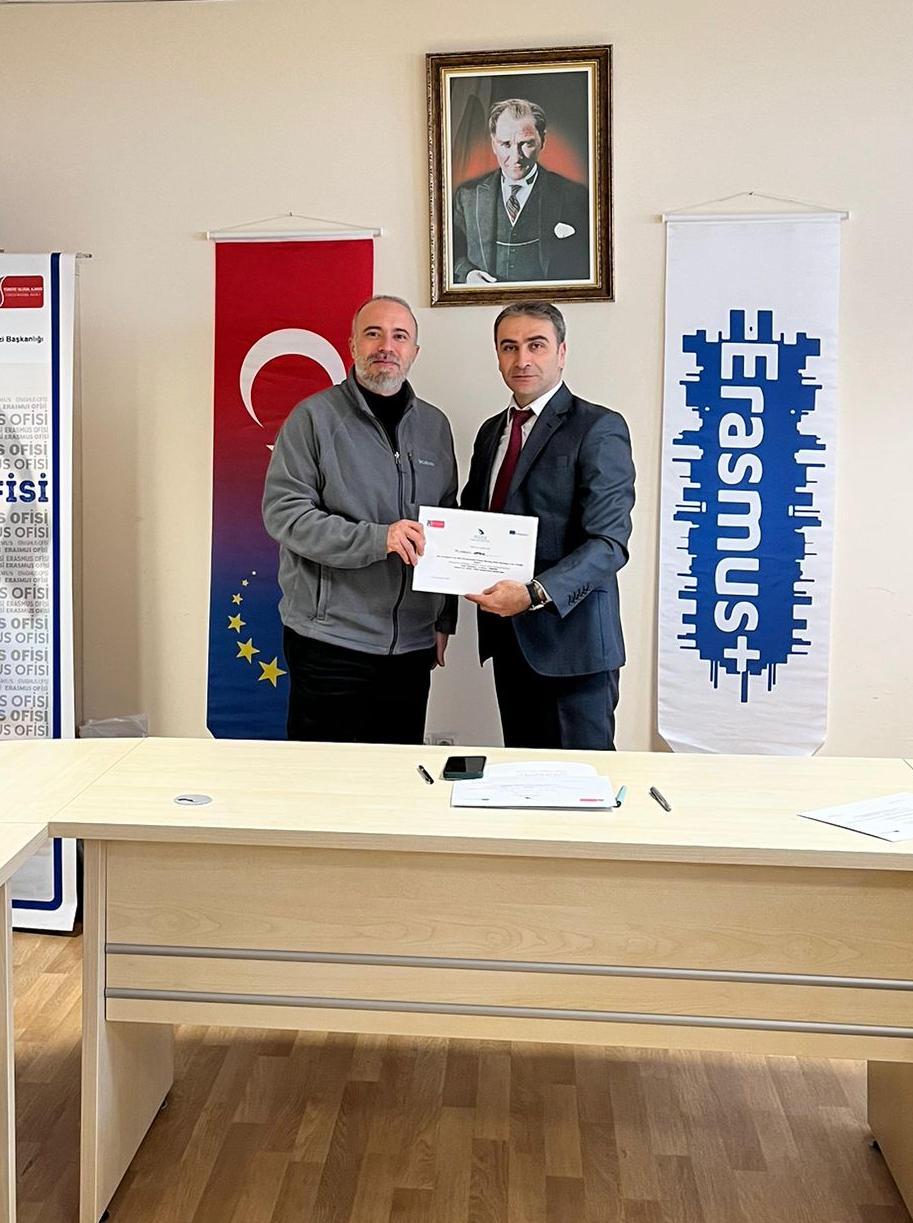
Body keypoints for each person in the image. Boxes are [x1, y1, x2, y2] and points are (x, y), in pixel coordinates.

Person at [262, 295, 457, 743]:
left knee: (396, 776)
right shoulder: (312, 418)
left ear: (414, 352)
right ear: (352, 345)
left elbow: (448, 523)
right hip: (330, 644)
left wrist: (444, 618)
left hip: (411, 648)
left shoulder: (435, 427)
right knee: (324, 779)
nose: (386, 346)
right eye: (373, 334)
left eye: (399, 336)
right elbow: (285, 514)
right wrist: (378, 539)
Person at [461, 300, 634, 749]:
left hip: (574, 647)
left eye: (536, 345)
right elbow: (473, 522)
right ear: (498, 356)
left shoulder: (599, 427)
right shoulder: (490, 433)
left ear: (561, 353)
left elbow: (609, 543)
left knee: (581, 781)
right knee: (521, 777)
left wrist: (534, 594)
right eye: (509, 347)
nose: (522, 359)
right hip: (508, 641)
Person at [452, 97, 591, 286]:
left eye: (526, 143)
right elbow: (451, 254)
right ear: (493, 144)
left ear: (542, 140)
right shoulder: (467, 195)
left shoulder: (575, 196)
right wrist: (468, 274)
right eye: (505, 144)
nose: (516, 157)